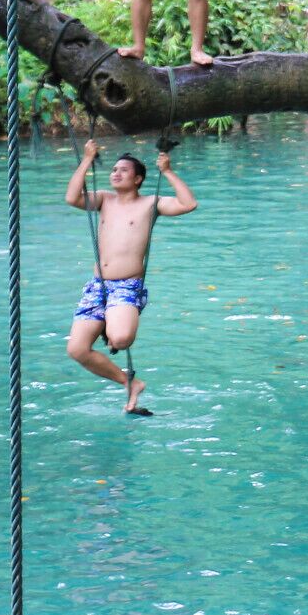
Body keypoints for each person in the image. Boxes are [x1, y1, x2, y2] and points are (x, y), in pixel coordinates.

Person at [63, 141, 197, 414]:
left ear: (137, 179)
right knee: (76, 350)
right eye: (113, 169)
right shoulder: (104, 199)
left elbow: (188, 203)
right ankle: (129, 383)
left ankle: (112, 326)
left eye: (123, 171)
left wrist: (168, 171)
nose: (116, 173)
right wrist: (87, 160)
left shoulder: (151, 203)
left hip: (127, 285)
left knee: (121, 339)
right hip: (98, 285)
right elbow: (72, 198)